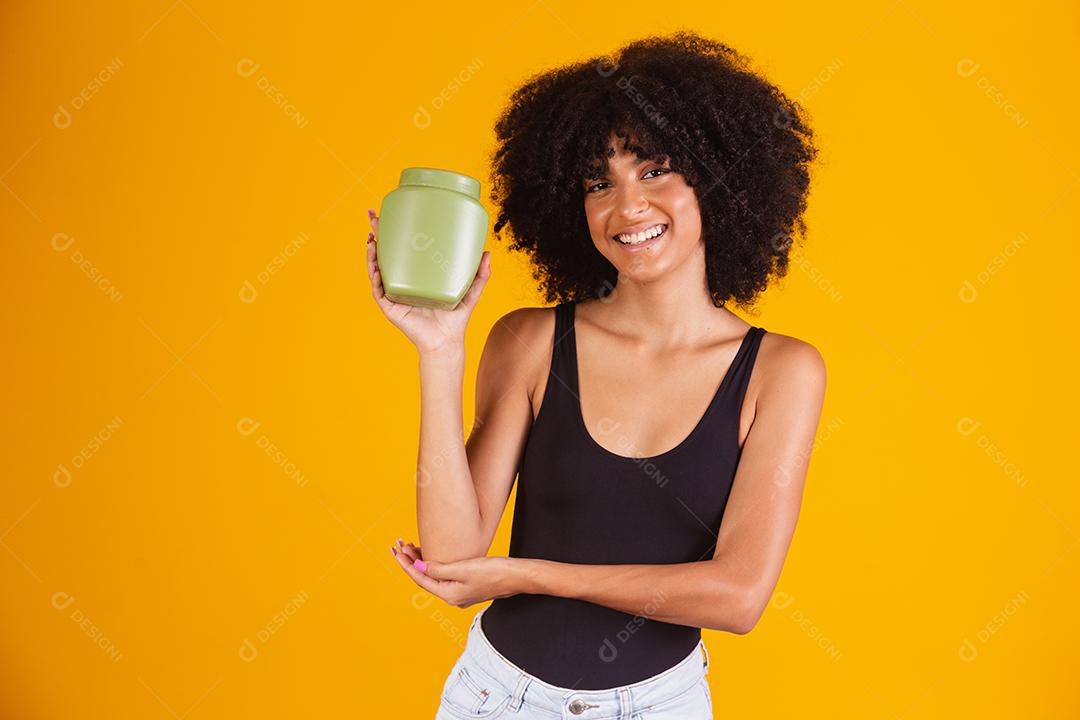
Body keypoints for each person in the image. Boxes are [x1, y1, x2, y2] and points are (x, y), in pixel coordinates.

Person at [368, 29, 825, 720]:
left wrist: (527, 575)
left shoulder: (781, 371)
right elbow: (456, 561)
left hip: (660, 705)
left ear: (717, 178)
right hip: (497, 698)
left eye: (654, 170)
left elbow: (738, 597)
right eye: (597, 182)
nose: (627, 206)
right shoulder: (529, 341)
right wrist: (439, 353)